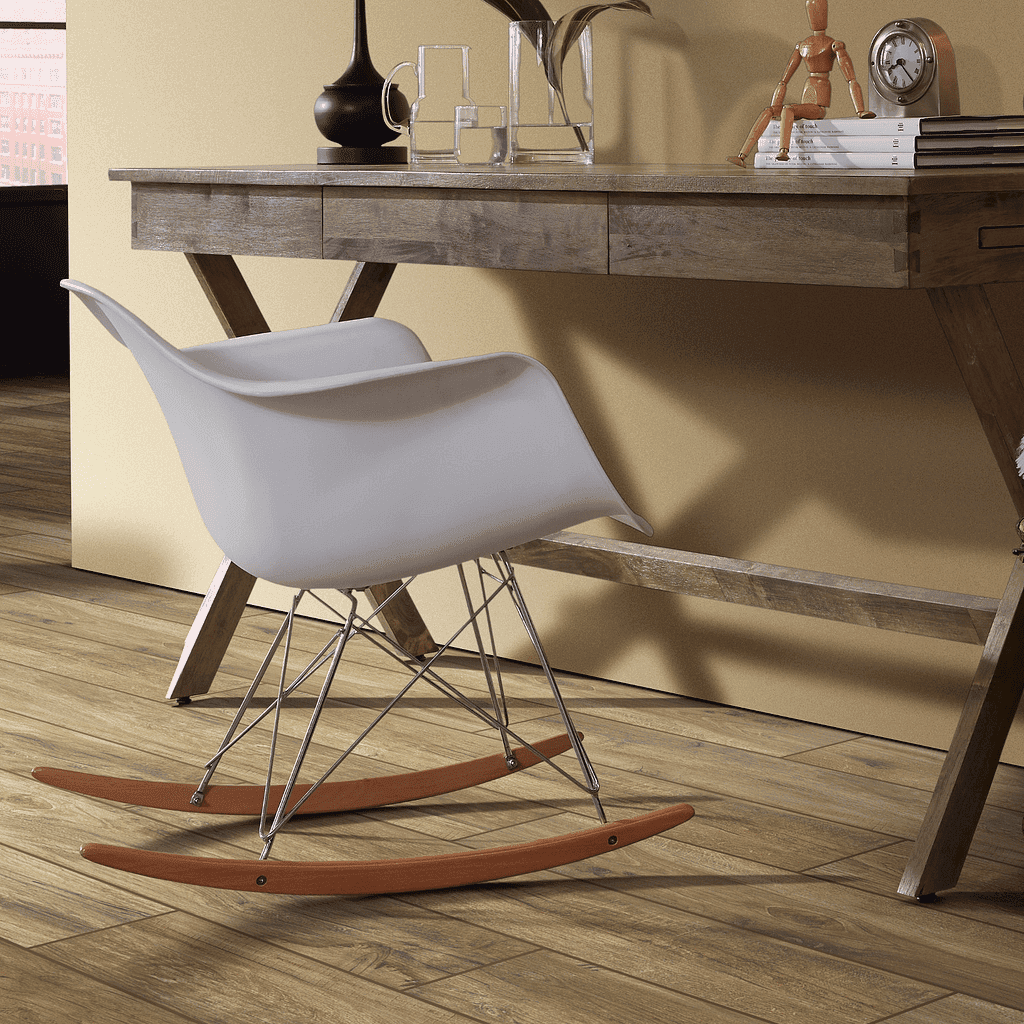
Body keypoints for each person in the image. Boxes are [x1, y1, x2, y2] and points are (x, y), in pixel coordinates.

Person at [727, 0, 874, 167]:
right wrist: (776, 107)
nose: (815, 16)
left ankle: (783, 150)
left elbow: (850, 77)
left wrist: (860, 110)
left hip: (818, 105)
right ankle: (742, 155)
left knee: (788, 109)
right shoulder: (803, 45)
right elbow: (785, 79)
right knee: (768, 111)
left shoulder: (831, 44)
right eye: (812, 11)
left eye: (818, 10)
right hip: (808, 95)